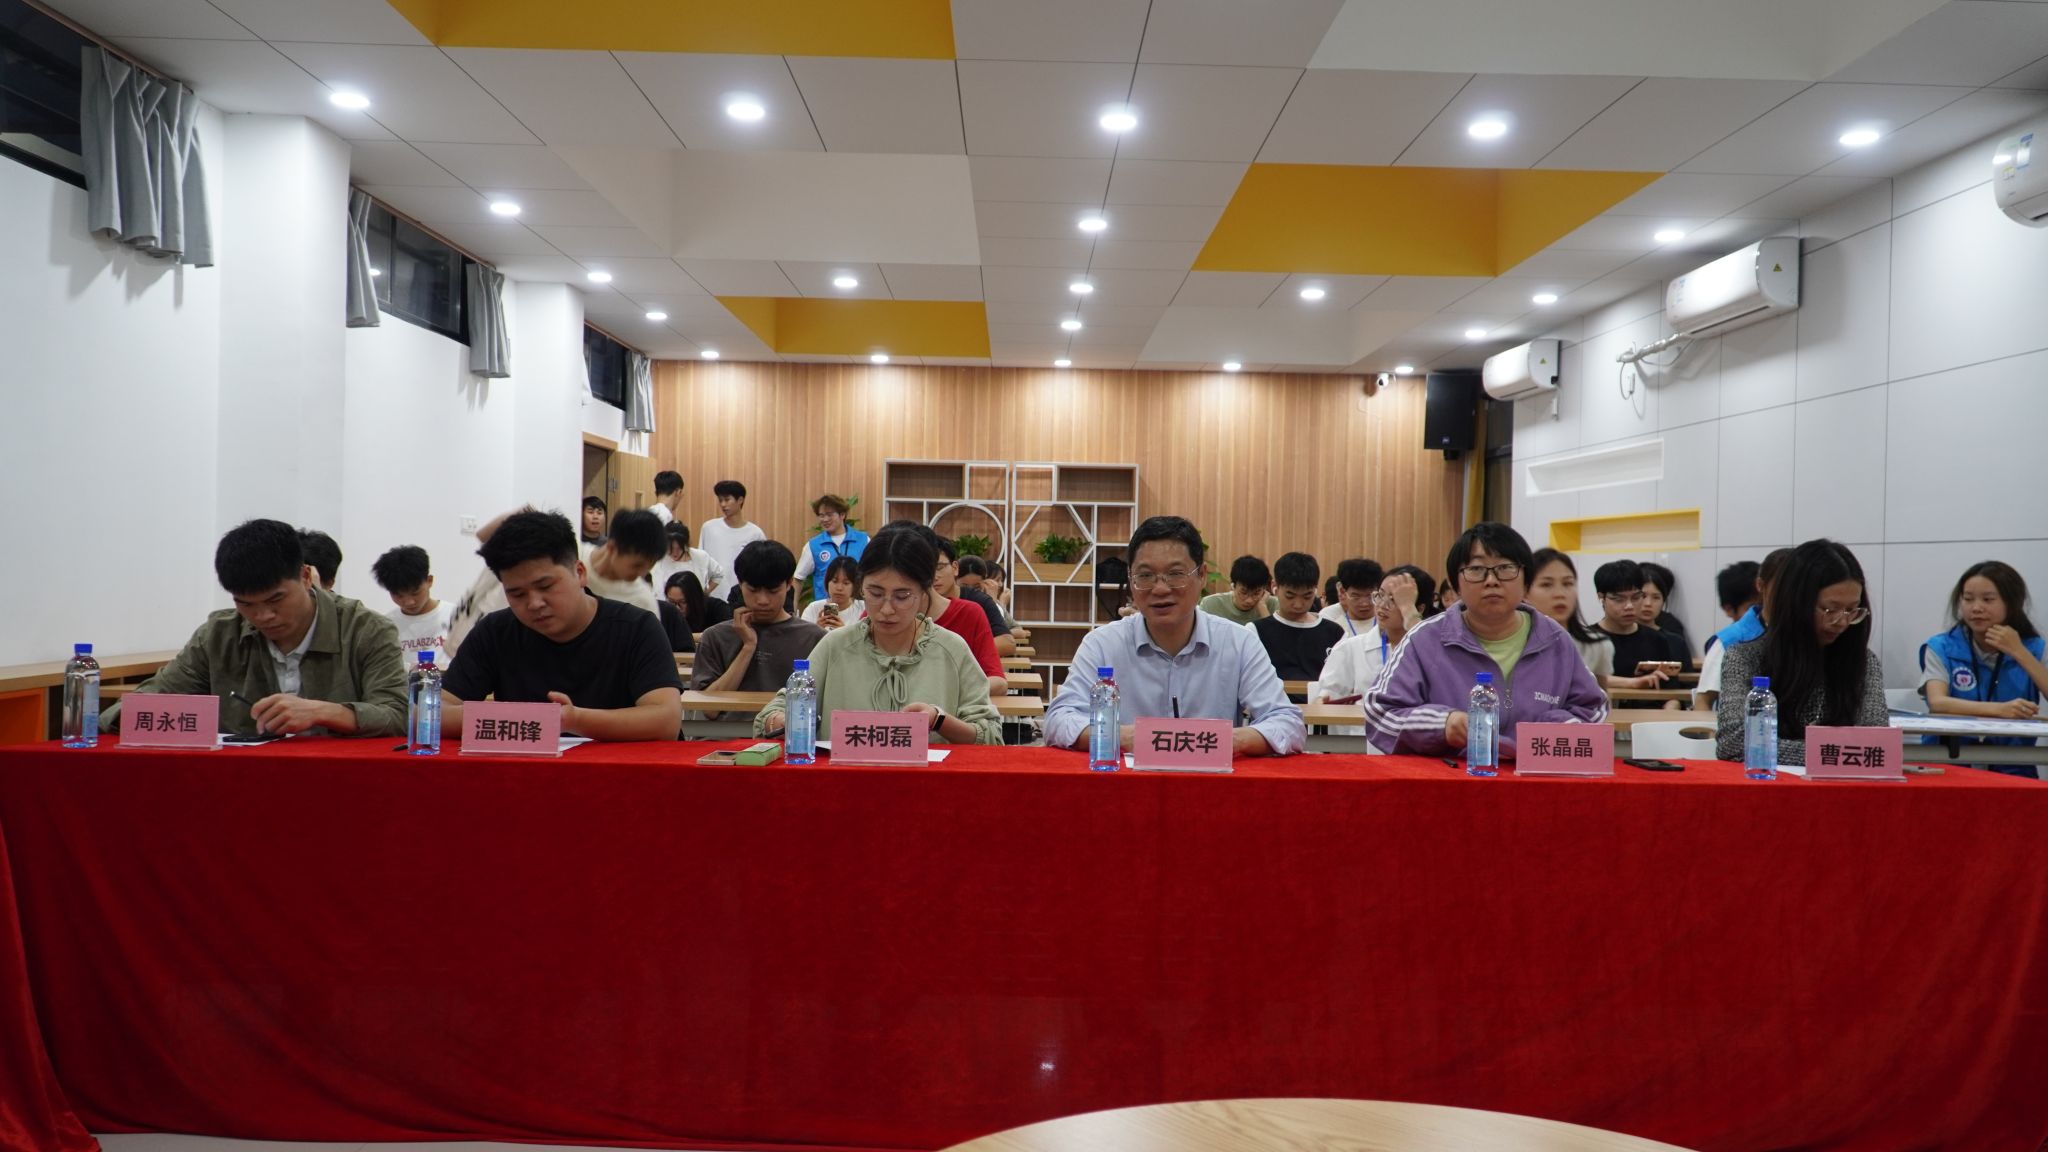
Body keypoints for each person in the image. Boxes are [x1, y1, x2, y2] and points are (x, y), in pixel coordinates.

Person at [100, 519, 406, 737]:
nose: (263, 616)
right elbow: (136, 706)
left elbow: (399, 714)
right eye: (245, 603)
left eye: (276, 599)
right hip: (240, 786)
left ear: (305, 577)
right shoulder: (218, 636)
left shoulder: (365, 630)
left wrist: (326, 712)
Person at [1045, 516, 1304, 757]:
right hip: (1126, 784)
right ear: (1131, 580)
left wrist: (1220, 740)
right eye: (1145, 576)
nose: (1160, 589)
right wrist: (1127, 737)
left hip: (1211, 785)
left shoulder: (1239, 643)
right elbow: (1059, 719)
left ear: (1202, 576)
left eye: (1175, 574)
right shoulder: (1102, 644)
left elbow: (1287, 723)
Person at [1362, 522, 1608, 758]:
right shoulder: (1425, 640)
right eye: (1477, 569)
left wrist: (1552, 727)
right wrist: (1442, 725)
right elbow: (1380, 712)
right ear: (1456, 585)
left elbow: (1594, 708)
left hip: (1536, 777)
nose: (1492, 580)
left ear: (1526, 582)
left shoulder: (1554, 639)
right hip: (1451, 777)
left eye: (1506, 568)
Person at [441, 509, 681, 742]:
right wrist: (520, 718)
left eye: (546, 586)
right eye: (517, 594)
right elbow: (434, 713)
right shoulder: (495, 632)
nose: (534, 603)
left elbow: (666, 720)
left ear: (580, 573)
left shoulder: (637, 627)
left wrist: (574, 721)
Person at [753, 528, 1001, 745]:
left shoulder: (950, 648)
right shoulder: (836, 646)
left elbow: (990, 735)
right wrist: (782, 721)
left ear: (924, 591)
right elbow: (772, 715)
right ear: (861, 587)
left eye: (902, 596)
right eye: (875, 593)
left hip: (928, 783)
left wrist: (939, 720)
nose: (887, 609)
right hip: (844, 782)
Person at [1714, 538, 1885, 766]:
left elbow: (1877, 742)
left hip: (1842, 785)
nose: (1842, 622)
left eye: (1851, 610)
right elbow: (1734, 743)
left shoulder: (1863, 662)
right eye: (1829, 609)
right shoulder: (1745, 658)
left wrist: (1821, 752)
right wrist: (1834, 752)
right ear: (1795, 603)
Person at [1919, 561, 2047, 770]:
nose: (1976, 608)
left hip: (2013, 767)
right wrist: (2001, 710)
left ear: (2013, 602)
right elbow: (1938, 703)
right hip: (1949, 764)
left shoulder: (2035, 648)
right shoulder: (1941, 646)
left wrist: (2019, 652)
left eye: (1988, 599)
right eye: (1968, 599)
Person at [873, 523, 1007, 696]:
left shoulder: (969, 614)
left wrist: (942, 692)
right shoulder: (876, 613)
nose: (887, 609)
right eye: (875, 592)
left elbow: (998, 681)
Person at [692, 541, 826, 697]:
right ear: (740, 584)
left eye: (773, 591)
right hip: (728, 715)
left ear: (789, 584)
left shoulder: (815, 638)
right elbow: (706, 705)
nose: (763, 600)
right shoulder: (716, 637)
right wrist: (748, 647)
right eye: (753, 590)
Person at [1313, 564, 1435, 708]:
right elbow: (1327, 698)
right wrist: (1322, 702)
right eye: (1380, 595)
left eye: (1394, 600)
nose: (1382, 605)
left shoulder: (1433, 652)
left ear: (1419, 608)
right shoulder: (1349, 648)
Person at [1694, 549, 1792, 711]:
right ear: (1761, 585)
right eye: (1782, 586)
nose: (1791, 594)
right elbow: (1703, 702)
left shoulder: (1814, 634)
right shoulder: (1729, 640)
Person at [1591, 559, 1688, 708]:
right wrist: (1632, 683)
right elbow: (1583, 679)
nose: (1629, 606)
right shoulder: (1588, 640)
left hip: (1651, 718)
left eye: (1636, 597)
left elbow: (1671, 695)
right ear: (1601, 597)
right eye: (1619, 599)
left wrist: (1668, 716)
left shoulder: (1657, 640)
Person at [1524, 549, 1614, 686]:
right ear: (1525, 593)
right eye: (1546, 584)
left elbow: (1599, 696)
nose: (1560, 594)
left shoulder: (1597, 646)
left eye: (1567, 583)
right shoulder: (1512, 645)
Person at [1254, 552, 1344, 685]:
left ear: (1315, 590)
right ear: (1274, 587)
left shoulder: (1334, 632)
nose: (1298, 605)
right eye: (1290, 596)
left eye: (1307, 596)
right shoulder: (1256, 631)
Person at [933, 536, 1016, 659]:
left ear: (955, 568)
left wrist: (956, 653)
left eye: (939, 568)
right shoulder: (917, 602)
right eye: (925, 569)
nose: (934, 576)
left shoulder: (980, 602)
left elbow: (1007, 643)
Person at [370, 544, 452, 665]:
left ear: (429, 581)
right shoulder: (386, 626)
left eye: (415, 593)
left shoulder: (456, 616)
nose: (409, 602)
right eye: (399, 596)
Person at [580, 508, 665, 615]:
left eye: (648, 568)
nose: (642, 574)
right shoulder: (573, 556)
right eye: (637, 565)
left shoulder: (643, 602)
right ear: (612, 547)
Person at [794, 494, 870, 603]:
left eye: (829, 515)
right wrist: (792, 608)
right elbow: (798, 579)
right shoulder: (813, 545)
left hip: (857, 607)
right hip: (825, 608)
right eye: (821, 515)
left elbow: (873, 573)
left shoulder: (863, 540)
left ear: (842, 515)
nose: (825, 519)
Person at [699, 480, 766, 600]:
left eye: (727, 500)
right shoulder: (709, 528)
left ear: (740, 500)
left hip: (741, 598)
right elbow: (701, 562)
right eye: (720, 500)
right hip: (713, 597)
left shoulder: (755, 533)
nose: (723, 504)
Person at [652, 522, 725, 602]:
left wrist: (704, 594)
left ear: (686, 544)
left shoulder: (700, 557)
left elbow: (718, 574)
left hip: (695, 606)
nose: (675, 553)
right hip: (665, 607)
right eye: (670, 549)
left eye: (679, 548)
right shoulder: (657, 559)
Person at [1197, 555, 1278, 625]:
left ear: (1264, 590)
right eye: (1244, 592)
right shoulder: (1211, 604)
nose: (1249, 600)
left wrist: (1262, 607)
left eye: (1256, 593)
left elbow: (1276, 638)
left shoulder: (1273, 605)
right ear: (1233, 586)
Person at [1637, 561, 1693, 659]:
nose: (1648, 603)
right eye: (1643, 596)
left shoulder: (1674, 640)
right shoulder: (1615, 635)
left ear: (1664, 600)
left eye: (1656, 597)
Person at [1319, 558, 1385, 638]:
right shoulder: (1334, 626)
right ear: (1342, 592)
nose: (1364, 603)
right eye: (1356, 596)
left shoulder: (1388, 623)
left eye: (1370, 595)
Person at [801, 556, 867, 631]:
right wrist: (817, 630)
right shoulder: (813, 609)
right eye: (834, 581)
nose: (839, 588)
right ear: (827, 582)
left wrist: (844, 632)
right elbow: (802, 637)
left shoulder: (864, 608)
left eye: (846, 583)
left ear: (855, 585)